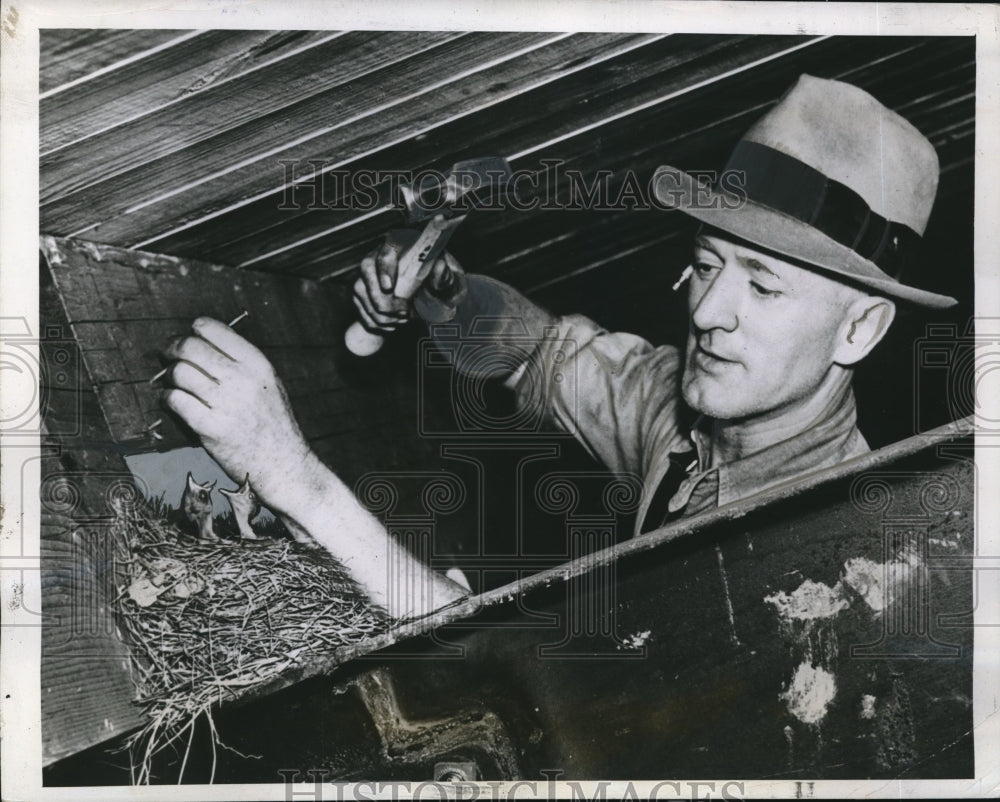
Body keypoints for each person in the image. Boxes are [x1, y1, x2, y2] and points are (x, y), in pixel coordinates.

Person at [162, 74, 956, 619]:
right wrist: (439, 289)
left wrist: (288, 474)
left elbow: (527, 689)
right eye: (706, 265)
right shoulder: (686, 413)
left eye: (764, 285)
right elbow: (540, 353)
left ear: (861, 328)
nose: (709, 311)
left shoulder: (836, 563)